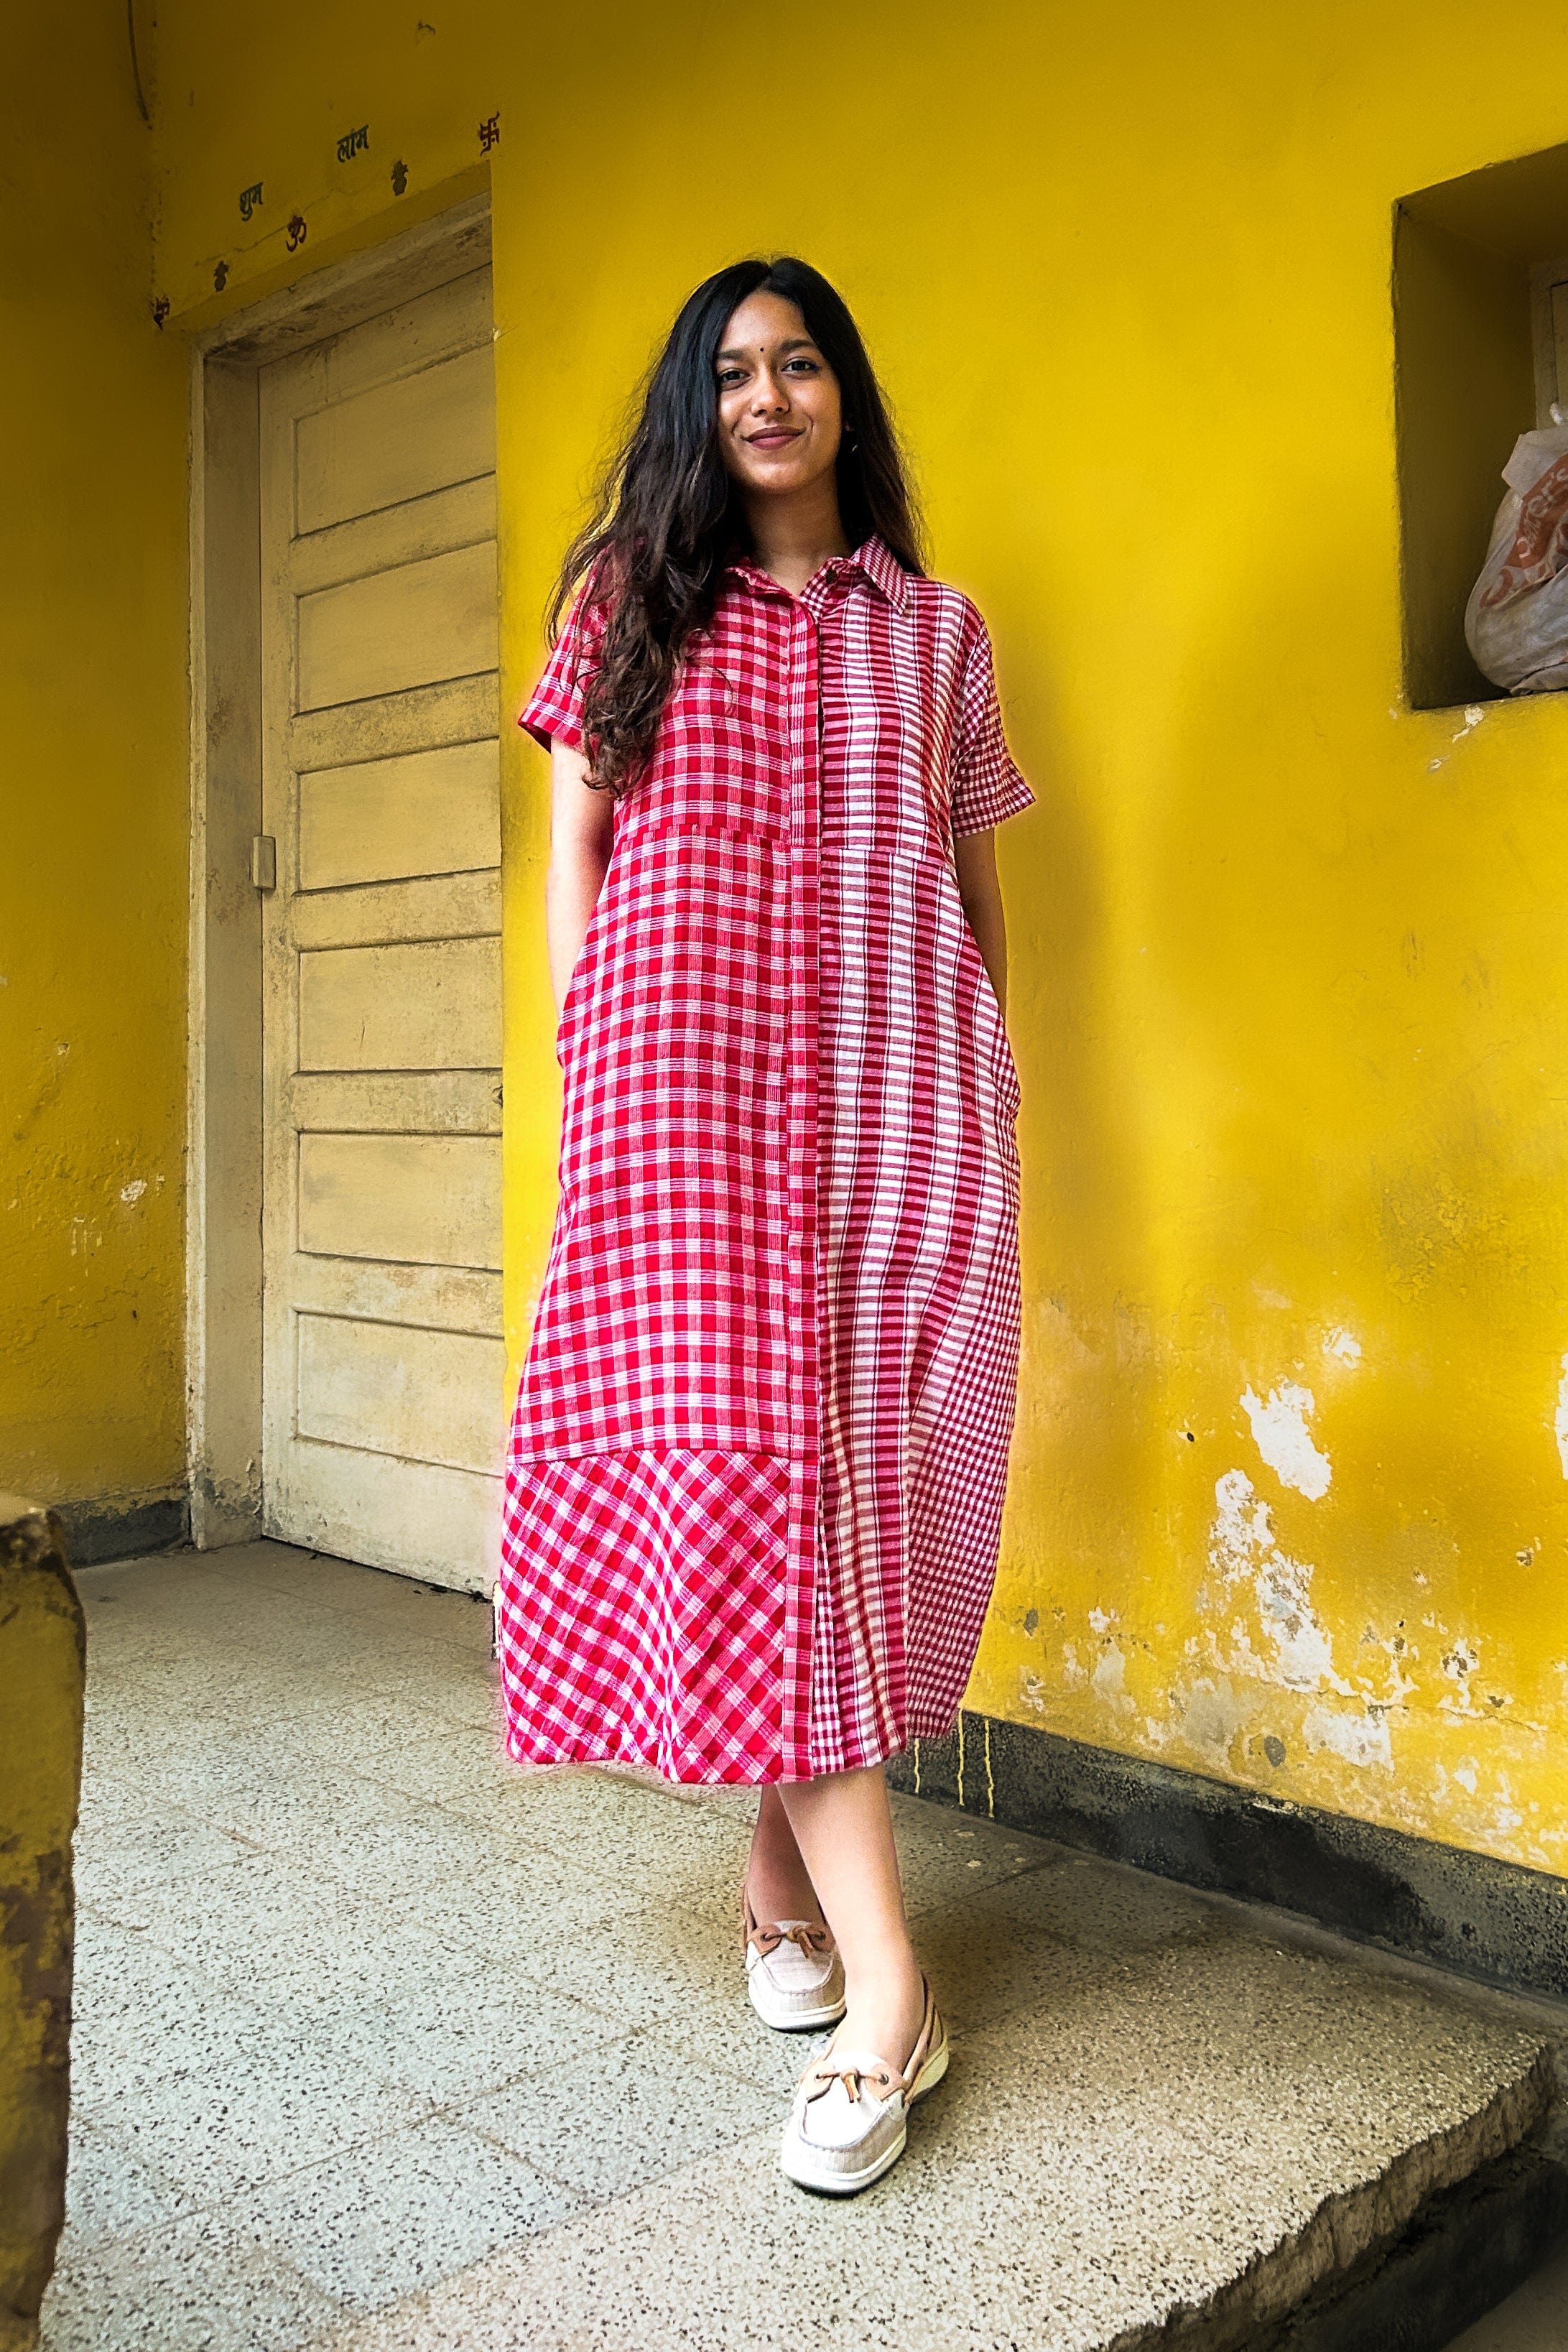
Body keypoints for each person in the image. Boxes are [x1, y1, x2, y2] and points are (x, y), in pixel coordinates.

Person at [501, 254, 1031, 2196]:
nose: (769, 394)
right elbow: (575, 842)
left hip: (902, 1108)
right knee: (753, 1493)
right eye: (732, 369)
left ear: (843, 397)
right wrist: (588, 1065)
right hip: (680, 1101)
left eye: (801, 362)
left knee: (860, 1480)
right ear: (694, 407)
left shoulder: (940, 632)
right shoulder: (628, 601)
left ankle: (776, 1890)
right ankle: (896, 1994)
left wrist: (1000, 1078)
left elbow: (976, 884)